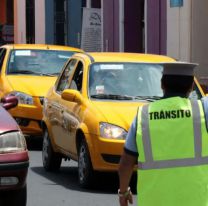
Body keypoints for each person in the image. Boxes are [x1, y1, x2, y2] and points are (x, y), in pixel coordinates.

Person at [118, 62, 208, 206]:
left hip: (154, 201)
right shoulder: (202, 110)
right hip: (195, 201)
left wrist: (123, 192)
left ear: (162, 85)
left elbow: (125, 163)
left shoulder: (143, 115)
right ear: (191, 87)